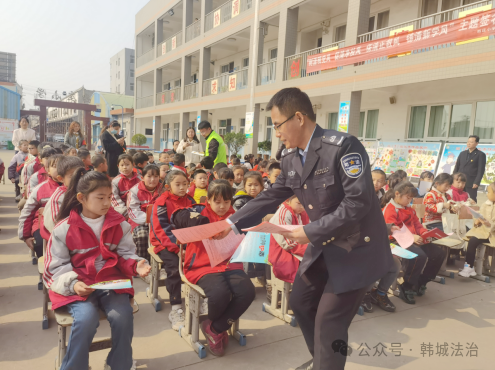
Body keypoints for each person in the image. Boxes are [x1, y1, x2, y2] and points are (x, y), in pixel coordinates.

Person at [213, 87, 393, 370]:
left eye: (277, 125)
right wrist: (230, 222)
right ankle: (323, 360)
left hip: (356, 249)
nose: (277, 133)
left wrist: (309, 232)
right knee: (302, 302)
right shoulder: (289, 158)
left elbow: (358, 202)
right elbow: (271, 195)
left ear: (298, 117)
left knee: (329, 321)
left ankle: (326, 363)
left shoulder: (343, 147)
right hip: (324, 245)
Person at [43, 169, 150, 370]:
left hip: (110, 281)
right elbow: (54, 268)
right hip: (78, 285)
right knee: (85, 319)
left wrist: (136, 264)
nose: (107, 202)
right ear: (81, 198)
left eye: (109, 197)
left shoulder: (120, 224)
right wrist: (73, 285)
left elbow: (125, 254)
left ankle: (120, 364)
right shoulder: (64, 229)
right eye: (100, 197)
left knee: (123, 316)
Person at [172, 180, 255, 357]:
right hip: (203, 266)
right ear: (208, 200)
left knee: (247, 291)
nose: (222, 206)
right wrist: (194, 220)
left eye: (226, 202)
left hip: (230, 264)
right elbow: (176, 216)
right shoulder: (199, 211)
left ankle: (215, 328)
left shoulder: (235, 217)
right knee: (219, 294)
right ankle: (219, 328)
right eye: (217, 201)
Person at [383, 181, 446, 304]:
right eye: (408, 197)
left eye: (411, 198)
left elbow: (417, 224)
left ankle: (422, 281)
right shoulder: (390, 209)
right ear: (397, 194)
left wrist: (424, 233)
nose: (410, 201)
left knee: (439, 254)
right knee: (418, 256)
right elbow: (393, 231)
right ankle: (407, 286)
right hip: (395, 242)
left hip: (413, 240)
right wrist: (412, 236)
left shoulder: (409, 209)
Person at [149, 170, 196, 330]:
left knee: (200, 261)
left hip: (187, 242)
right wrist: (177, 249)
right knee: (175, 267)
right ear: (168, 187)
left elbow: (196, 223)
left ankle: (199, 299)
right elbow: (161, 229)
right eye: (178, 184)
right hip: (165, 244)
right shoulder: (161, 202)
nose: (183, 187)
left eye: (185, 184)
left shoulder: (190, 200)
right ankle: (176, 307)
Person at [19, 154, 62, 257]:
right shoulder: (40, 189)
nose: (61, 169)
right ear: (47, 170)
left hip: (67, 227)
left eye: (63, 166)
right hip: (41, 224)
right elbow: (27, 212)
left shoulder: (75, 189)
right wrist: (25, 236)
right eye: (56, 166)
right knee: (39, 245)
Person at [127, 164, 163, 265]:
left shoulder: (163, 189)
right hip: (139, 222)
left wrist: (157, 221)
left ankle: (160, 264)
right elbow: (133, 210)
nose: (153, 179)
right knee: (142, 235)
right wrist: (149, 220)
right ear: (142, 178)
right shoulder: (135, 190)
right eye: (149, 176)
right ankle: (143, 263)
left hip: (159, 221)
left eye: (156, 176)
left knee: (165, 236)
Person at [459, 182, 495, 277]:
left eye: (489, 192)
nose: (487, 194)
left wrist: (489, 224)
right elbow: (479, 214)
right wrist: (477, 220)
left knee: (473, 240)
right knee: (472, 240)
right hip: (481, 231)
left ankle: (469, 267)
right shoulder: (486, 204)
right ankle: (469, 267)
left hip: (492, 234)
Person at [43, 156, 85, 235]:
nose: (78, 178)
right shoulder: (59, 198)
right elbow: (55, 225)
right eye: (72, 176)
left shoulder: (87, 191)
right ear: (61, 178)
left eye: (81, 174)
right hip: (66, 238)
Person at [453, 135, 486, 202]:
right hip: (459, 180)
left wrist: (476, 182)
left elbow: (481, 170)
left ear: (477, 143)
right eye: (468, 142)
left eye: (471, 142)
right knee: (457, 198)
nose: (469, 143)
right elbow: (457, 167)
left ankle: (471, 212)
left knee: (471, 199)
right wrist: (453, 179)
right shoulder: (462, 153)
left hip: (471, 181)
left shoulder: (480, 154)